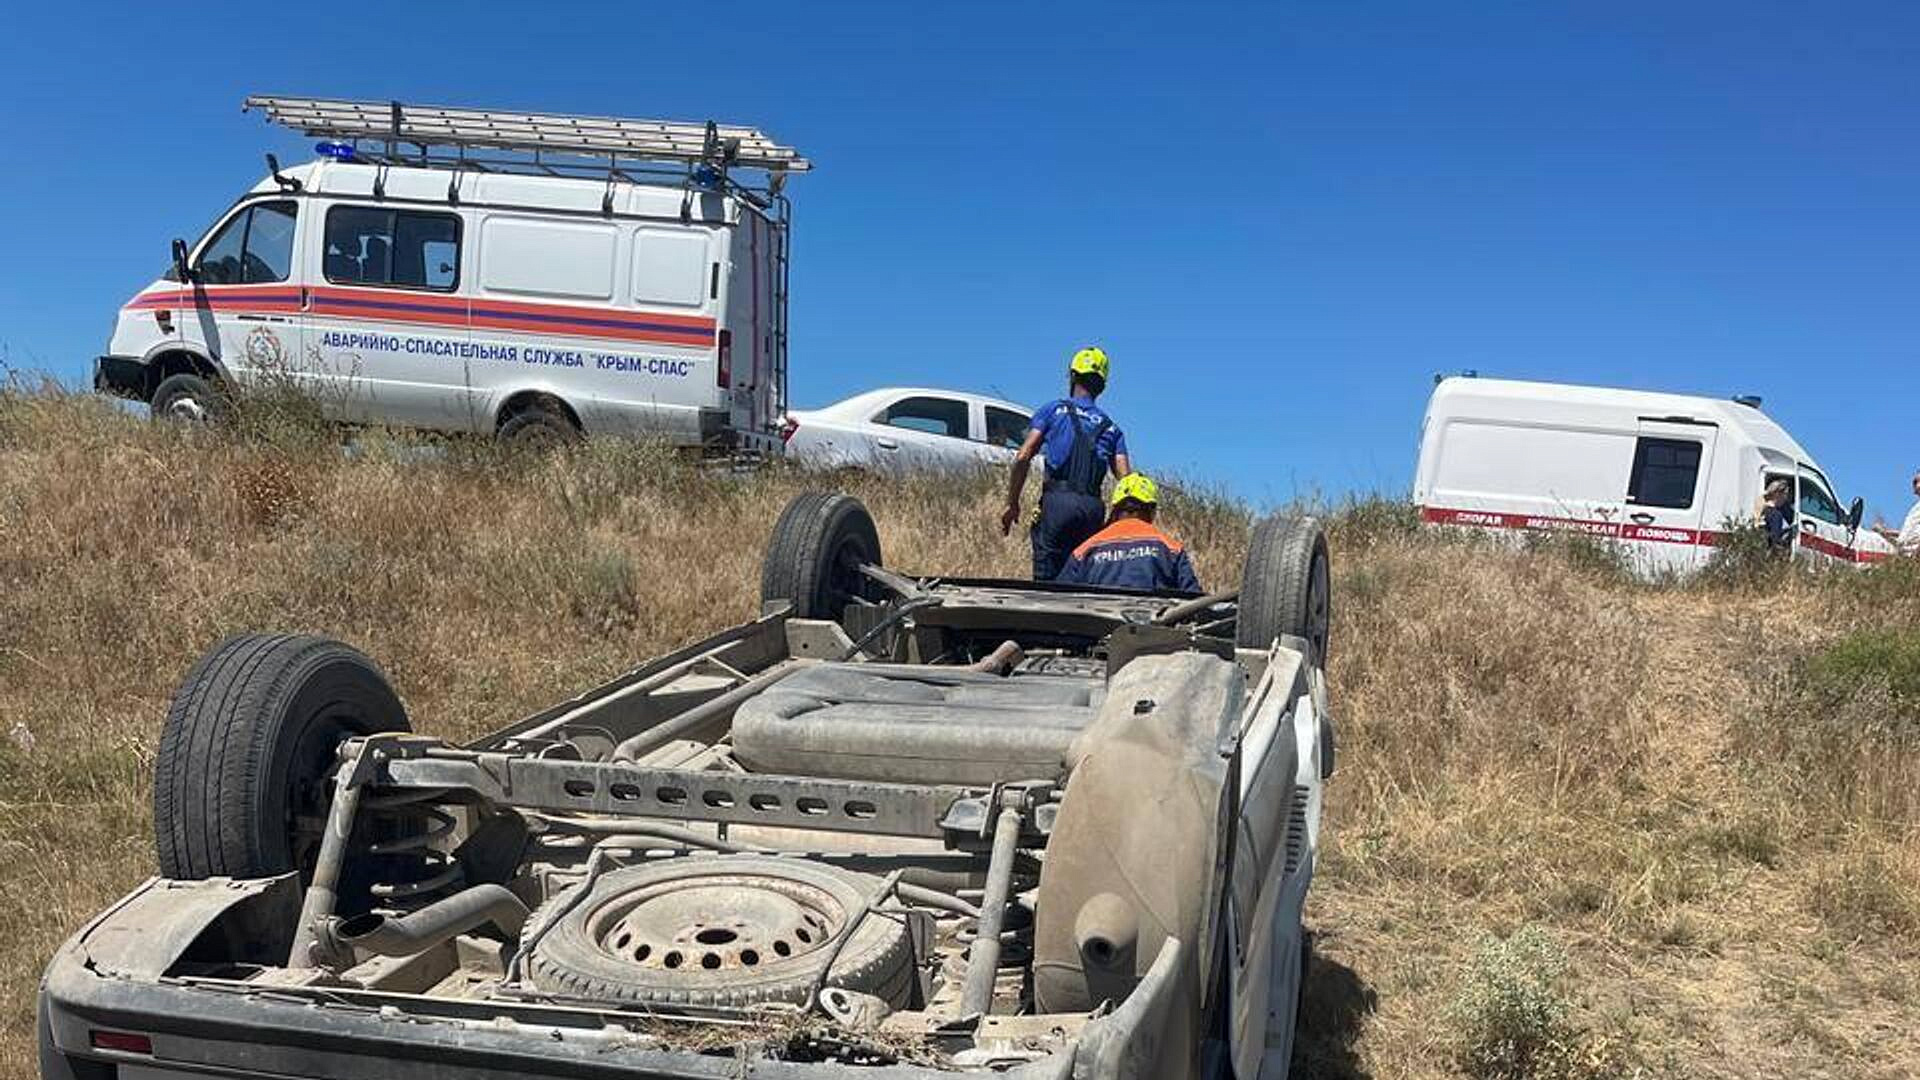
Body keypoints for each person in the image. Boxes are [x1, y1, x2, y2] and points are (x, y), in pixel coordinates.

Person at [1000, 347, 1132, 579]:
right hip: (1092, 510)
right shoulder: (1112, 429)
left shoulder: (1053, 410)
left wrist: (1012, 503)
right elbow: (1127, 483)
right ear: (1102, 386)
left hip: (1056, 504)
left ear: (1072, 376)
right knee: (1082, 581)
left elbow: (1023, 456)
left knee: (1046, 582)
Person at [1056, 473, 1202, 592]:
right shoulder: (1171, 548)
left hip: (1096, 626)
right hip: (1154, 626)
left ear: (1115, 508)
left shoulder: (1084, 551)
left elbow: (1061, 600)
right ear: (1152, 510)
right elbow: (1193, 600)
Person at [1871, 469, 1920, 555]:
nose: (1916, 485)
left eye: (1918, 481)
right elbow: (1909, 533)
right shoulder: (1915, 508)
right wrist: (1884, 532)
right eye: (1915, 482)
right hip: (1904, 554)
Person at [1758, 477, 1794, 554]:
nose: (1786, 498)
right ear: (1778, 494)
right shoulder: (1775, 514)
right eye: (1785, 494)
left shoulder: (1764, 510)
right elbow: (1775, 538)